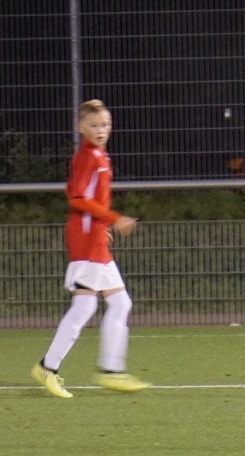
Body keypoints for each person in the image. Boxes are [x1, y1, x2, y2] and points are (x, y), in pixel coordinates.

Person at [30, 99, 150, 398]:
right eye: (94, 125)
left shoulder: (99, 155)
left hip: (93, 237)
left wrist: (101, 226)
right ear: (80, 128)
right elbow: (78, 198)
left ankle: (110, 370)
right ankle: (51, 367)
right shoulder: (88, 156)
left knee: (119, 303)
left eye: (105, 124)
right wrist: (113, 219)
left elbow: (79, 193)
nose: (101, 130)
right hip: (86, 241)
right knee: (86, 306)